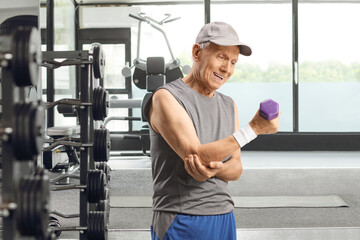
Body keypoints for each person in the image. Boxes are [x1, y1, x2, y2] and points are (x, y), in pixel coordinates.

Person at [145, 21, 280, 240]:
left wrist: (215, 169)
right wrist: (254, 129)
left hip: (223, 214)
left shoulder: (229, 104)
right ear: (197, 52)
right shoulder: (166, 97)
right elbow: (196, 154)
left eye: (233, 62)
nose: (227, 69)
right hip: (180, 216)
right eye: (221, 57)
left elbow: (236, 169)